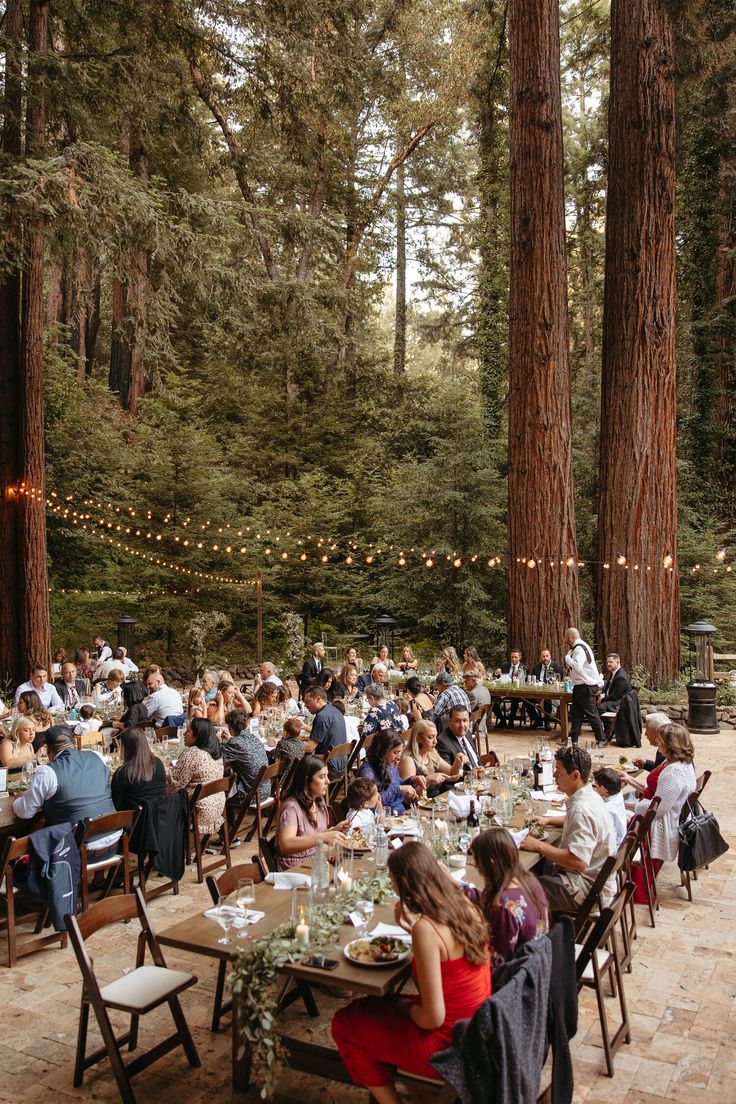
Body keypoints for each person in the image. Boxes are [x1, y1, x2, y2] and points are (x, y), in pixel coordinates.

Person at [332, 841, 490, 1104]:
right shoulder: (466, 906)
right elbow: (438, 980)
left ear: (404, 883)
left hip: (449, 1046)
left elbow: (433, 1017)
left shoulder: (428, 929)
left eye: (393, 881)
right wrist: (412, 936)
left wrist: (405, 1009)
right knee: (374, 1007)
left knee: (346, 1022)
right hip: (477, 1029)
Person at [522, 745, 616, 913]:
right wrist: (548, 820)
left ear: (575, 775)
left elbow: (578, 862)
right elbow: (581, 823)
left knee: (516, 892)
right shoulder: (591, 796)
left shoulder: (581, 810)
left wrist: (539, 846)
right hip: (597, 883)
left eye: (558, 770)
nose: (554, 775)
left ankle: (535, 934)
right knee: (532, 873)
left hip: (585, 890)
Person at [13, 726, 119, 857]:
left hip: (76, 848)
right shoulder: (97, 756)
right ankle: (98, 877)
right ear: (73, 743)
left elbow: (25, 812)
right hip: (115, 839)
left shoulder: (47, 772)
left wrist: (16, 801)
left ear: (47, 749)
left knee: (35, 832)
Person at [629, 723, 696, 903]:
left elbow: (657, 810)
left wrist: (631, 806)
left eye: (660, 739)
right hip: (670, 817)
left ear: (669, 744)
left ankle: (625, 883)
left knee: (617, 822)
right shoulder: (682, 764)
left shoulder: (674, 772)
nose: (656, 741)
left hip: (662, 826)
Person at [467, 828, 549, 965]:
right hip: (537, 966)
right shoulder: (528, 879)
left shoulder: (504, 908)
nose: (476, 866)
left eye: (478, 862)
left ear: (491, 863)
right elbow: (487, 900)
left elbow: (499, 961)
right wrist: (461, 888)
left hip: (515, 977)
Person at [276, 755, 347, 870]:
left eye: (327, 776)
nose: (328, 782)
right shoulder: (291, 808)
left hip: (316, 861)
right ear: (307, 779)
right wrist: (323, 837)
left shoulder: (318, 801)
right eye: (322, 777)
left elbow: (314, 834)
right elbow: (286, 844)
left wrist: (335, 831)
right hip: (296, 868)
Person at [166, 718, 225, 837]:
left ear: (197, 736)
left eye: (188, 731)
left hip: (197, 811)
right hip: (216, 807)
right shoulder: (217, 754)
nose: (183, 733)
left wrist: (163, 769)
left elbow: (174, 786)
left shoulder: (194, 753)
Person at [359, 729, 420, 813]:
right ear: (383, 751)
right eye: (395, 752)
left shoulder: (389, 764)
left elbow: (397, 785)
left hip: (399, 813)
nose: (398, 757)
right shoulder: (366, 771)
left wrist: (412, 780)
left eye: (399, 752)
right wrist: (400, 789)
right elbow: (371, 802)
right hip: (383, 817)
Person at [563, 627, 605, 746]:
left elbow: (577, 666)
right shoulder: (581, 647)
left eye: (567, 637)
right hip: (579, 686)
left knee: (591, 713)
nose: (566, 640)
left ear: (570, 637)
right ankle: (573, 740)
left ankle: (601, 739)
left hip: (586, 686)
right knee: (576, 713)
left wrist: (567, 658)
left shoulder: (579, 649)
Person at [111, 726, 167, 814]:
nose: (119, 748)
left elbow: (116, 807)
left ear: (128, 747)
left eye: (120, 745)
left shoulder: (122, 773)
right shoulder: (158, 763)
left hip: (136, 824)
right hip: (161, 818)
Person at [221, 708, 270, 806]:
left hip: (251, 795)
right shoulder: (253, 738)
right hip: (265, 790)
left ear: (230, 728)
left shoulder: (235, 743)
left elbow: (219, 761)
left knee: (219, 794)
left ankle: (229, 821)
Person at [400, 719, 464, 792]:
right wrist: (428, 780)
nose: (435, 742)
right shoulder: (408, 760)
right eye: (430, 737)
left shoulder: (432, 754)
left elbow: (452, 774)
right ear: (419, 739)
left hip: (438, 800)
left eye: (435, 737)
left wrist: (458, 761)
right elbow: (408, 795)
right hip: (421, 802)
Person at [303, 685, 348, 774]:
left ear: (318, 699)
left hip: (328, 766)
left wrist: (290, 743)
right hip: (342, 763)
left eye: (308, 701)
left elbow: (309, 747)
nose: (305, 705)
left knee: (294, 767)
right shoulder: (335, 710)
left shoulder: (322, 716)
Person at [592, 767, 628, 847]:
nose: (596, 788)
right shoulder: (618, 794)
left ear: (605, 789)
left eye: (597, 786)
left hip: (613, 848)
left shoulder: (607, 809)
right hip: (621, 839)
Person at [436, 704, 480, 770]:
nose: (462, 725)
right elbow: (449, 774)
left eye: (465, 720)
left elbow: (475, 759)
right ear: (449, 721)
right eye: (457, 721)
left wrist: (480, 768)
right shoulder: (442, 742)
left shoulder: (467, 733)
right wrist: (473, 773)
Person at [492, 649, 527, 728]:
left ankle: (511, 721)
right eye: (512, 657)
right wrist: (496, 672)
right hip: (503, 691)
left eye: (515, 657)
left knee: (514, 699)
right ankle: (502, 719)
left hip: (517, 692)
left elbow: (525, 682)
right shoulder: (504, 665)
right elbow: (496, 676)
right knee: (491, 698)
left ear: (520, 658)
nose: (513, 659)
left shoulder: (524, 668)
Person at [531, 648, 564, 730]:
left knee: (547, 699)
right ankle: (537, 719)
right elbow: (533, 680)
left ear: (550, 656)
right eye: (543, 656)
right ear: (540, 657)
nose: (545, 658)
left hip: (551, 692)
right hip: (538, 691)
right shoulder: (536, 667)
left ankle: (546, 722)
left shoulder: (557, 667)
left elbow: (559, 681)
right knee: (526, 699)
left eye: (547, 656)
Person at [596, 653, 633, 723]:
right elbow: (608, 688)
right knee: (592, 700)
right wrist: (600, 693)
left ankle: (613, 727)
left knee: (600, 708)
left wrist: (602, 700)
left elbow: (615, 696)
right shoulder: (614, 673)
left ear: (617, 662)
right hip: (612, 698)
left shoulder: (621, 677)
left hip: (620, 701)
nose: (608, 664)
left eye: (610, 662)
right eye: (607, 662)